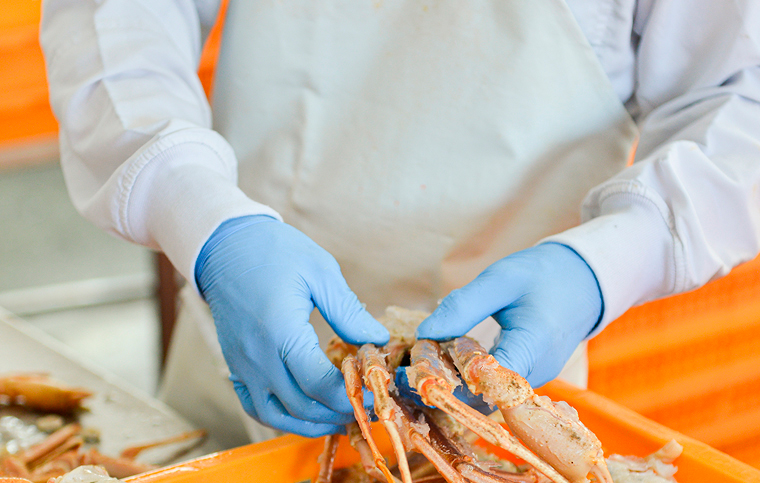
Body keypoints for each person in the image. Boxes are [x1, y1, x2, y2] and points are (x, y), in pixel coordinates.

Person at [41, 1, 760, 448]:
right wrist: (198, 213)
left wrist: (604, 265)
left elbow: (741, 102)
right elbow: (114, 12)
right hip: (238, 362)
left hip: (508, 408)